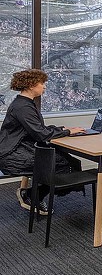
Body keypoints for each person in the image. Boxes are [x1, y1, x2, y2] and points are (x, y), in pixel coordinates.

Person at [0, 69, 84, 214]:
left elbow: (37, 129)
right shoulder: (23, 106)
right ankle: (33, 195)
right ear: (31, 85)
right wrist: (68, 132)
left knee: (71, 162)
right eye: (42, 83)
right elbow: (41, 134)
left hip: (19, 148)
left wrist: (62, 128)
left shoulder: (24, 103)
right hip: (12, 155)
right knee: (63, 164)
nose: (44, 86)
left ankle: (33, 193)